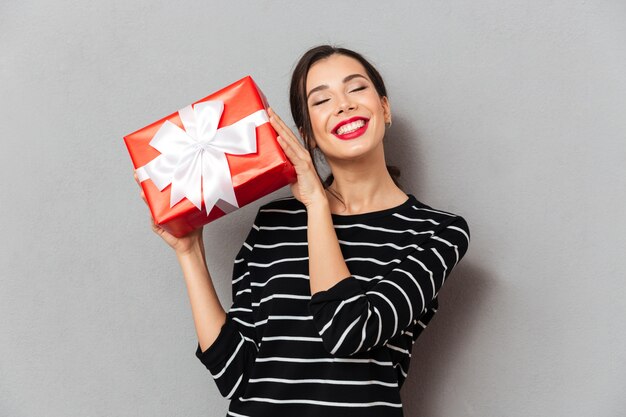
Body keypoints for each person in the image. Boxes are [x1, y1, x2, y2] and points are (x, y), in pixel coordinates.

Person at [134, 45, 470, 417]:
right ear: (306, 134)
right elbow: (234, 374)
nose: (343, 105)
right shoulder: (272, 224)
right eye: (321, 100)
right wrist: (189, 253)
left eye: (356, 89)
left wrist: (316, 205)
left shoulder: (438, 233)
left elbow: (347, 331)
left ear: (385, 109)